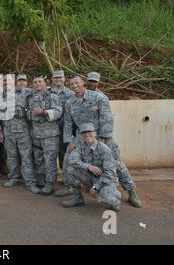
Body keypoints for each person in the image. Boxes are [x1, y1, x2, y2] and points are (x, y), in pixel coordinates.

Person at [55, 74, 142, 208]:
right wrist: (69, 141)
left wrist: (103, 138)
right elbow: (67, 123)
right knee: (68, 161)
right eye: (71, 84)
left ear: (83, 82)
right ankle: (75, 194)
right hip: (81, 137)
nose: (74, 86)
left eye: (77, 83)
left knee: (117, 165)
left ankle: (131, 191)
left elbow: (106, 118)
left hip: (100, 136)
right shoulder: (69, 102)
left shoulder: (98, 97)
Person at [62, 123, 121, 212]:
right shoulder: (81, 146)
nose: (86, 135)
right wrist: (88, 166)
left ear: (95, 134)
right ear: (81, 136)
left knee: (108, 200)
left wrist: (95, 187)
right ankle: (78, 199)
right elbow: (72, 160)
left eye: (89, 132)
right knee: (71, 169)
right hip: (90, 177)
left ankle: (113, 198)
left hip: (105, 180)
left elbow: (110, 174)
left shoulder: (104, 149)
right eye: (84, 133)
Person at [0, 74, 39, 193]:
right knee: (11, 157)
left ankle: (30, 182)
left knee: (26, 157)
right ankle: (13, 178)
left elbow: (39, 91)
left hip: (23, 130)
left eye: (9, 81)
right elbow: (0, 116)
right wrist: (1, 132)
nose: (6, 83)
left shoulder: (24, 92)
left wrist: (32, 127)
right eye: (4, 81)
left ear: (14, 82)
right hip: (8, 131)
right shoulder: (0, 97)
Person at [27, 74, 62, 195]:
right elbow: (30, 115)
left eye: (40, 81)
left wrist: (43, 112)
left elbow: (58, 112)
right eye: (35, 82)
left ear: (45, 83)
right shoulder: (31, 98)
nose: (37, 84)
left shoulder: (52, 96)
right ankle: (41, 180)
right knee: (38, 158)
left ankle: (50, 184)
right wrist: (31, 128)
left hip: (50, 134)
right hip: (36, 134)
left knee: (50, 160)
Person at [49, 70, 74, 183]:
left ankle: (66, 180)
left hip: (65, 130)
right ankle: (51, 180)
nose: (58, 79)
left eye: (60, 77)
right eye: (55, 77)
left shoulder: (70, 94)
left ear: (64, 79)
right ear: (52, 79)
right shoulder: (47, 93)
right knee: (51, 155)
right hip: (50, 130)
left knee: (65, 155)